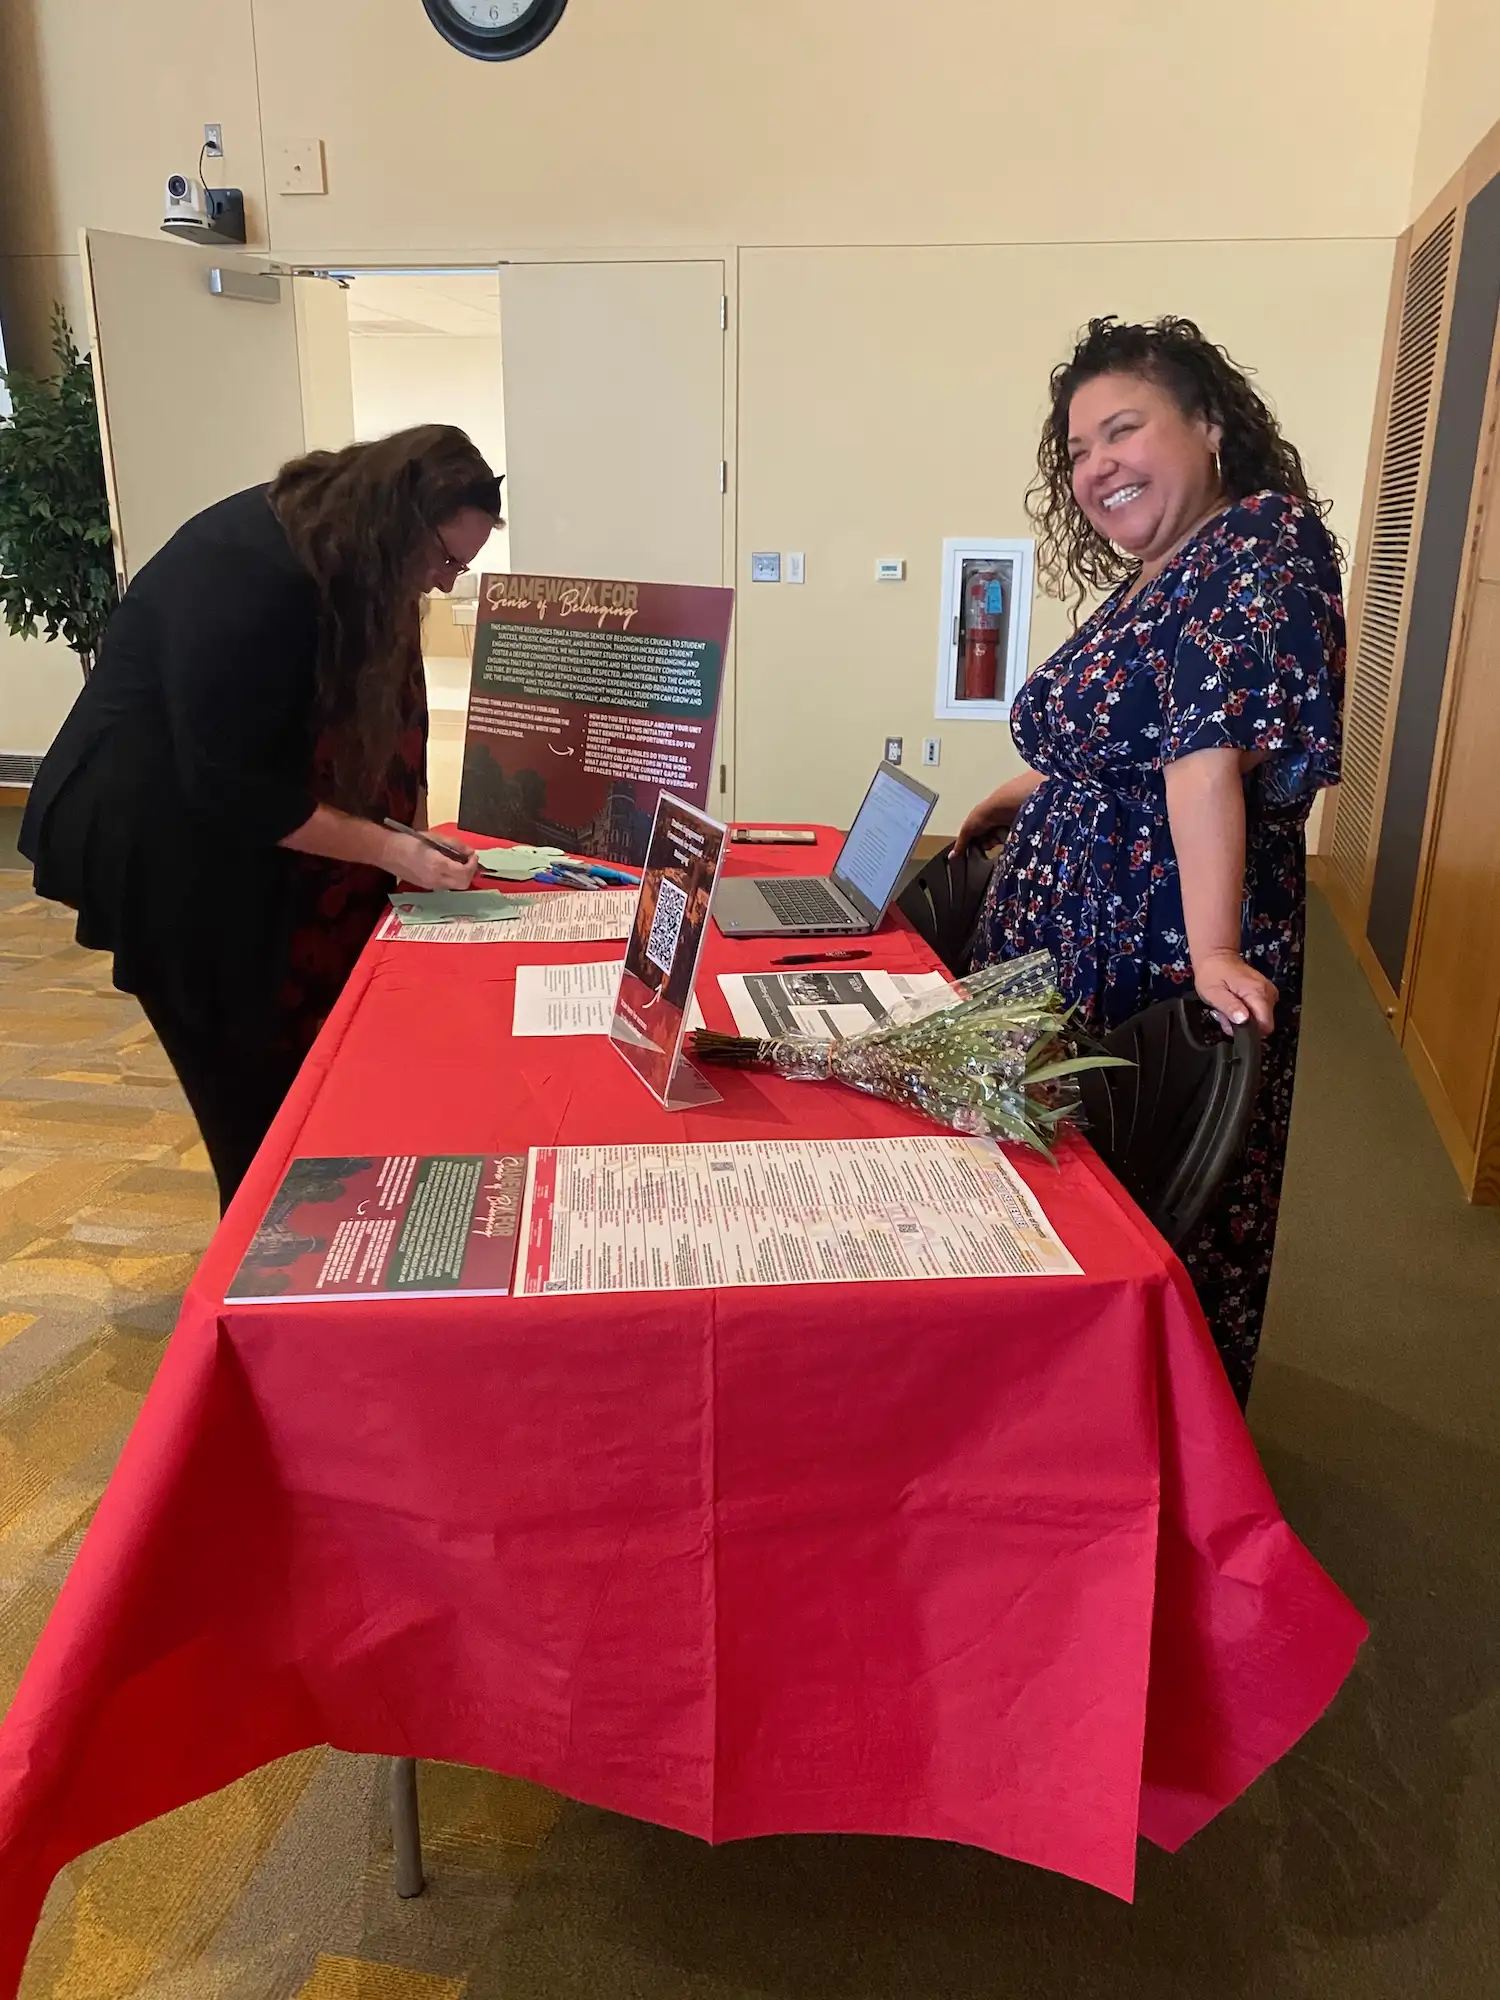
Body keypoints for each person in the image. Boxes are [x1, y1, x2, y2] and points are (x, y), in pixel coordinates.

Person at [955, 317, 1345, 1407]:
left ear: (1210, 426)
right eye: (1078, 451)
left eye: (1123, 429)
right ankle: (1044, 1415)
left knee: (1132, 1201)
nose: (1096, 466)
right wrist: (1020, 793)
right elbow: (1132, 743)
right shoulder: (1160, 574)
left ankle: (1132, 1440)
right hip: (1073, 933)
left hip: (1155, 944)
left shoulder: (1260, 540)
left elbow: (1204, 757)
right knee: (1056, 1199)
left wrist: (1214, 948)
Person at [21, 425, 502, 1212]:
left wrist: (401, 835)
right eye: (444, 561)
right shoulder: (246, 576)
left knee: (308, 1071)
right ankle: (259, 1276)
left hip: (232, 828)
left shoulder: (349, 551)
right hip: (158, 844)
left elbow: (374, 726)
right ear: (397, 521)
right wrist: (388, 849)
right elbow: (231, 788)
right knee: (249, 1095)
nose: (447, 585)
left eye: (464, 567)